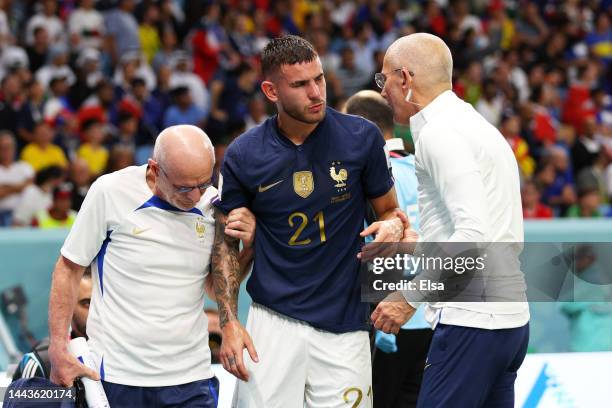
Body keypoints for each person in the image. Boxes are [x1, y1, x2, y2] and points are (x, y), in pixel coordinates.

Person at [217, 35, 405, 407]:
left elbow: (389, 210)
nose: (316, 92)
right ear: (271, 90)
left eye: (318, 79)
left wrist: (393, 225)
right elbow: (225, 246)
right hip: (272, 321)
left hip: (346, 322)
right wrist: (228, 323)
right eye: (300, 85)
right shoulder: (244, 154)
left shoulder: (361, 137)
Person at [371, 33, 530, 408]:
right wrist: (417, 245)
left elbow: (474, 234)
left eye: (384, 80)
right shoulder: (472, 124)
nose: (382, 92)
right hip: (508, 321)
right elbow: (484, 228)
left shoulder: (440, 134)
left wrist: (408, 297)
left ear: (405, 79)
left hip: (472, 322)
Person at [47, 125, 254, 407]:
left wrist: (251, 247)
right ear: (155, 170)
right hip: (118, 375)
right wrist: (58, 348)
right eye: (183, 187)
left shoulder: (214, 203)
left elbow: (214, 289)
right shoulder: (110, 192)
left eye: (203, 183)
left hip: (191, 376)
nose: (195, 196)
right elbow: (68, 269)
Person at [345, 90, 432, 408]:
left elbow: (385, 246)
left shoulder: (370, 177)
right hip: (429, 314)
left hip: (387, 316)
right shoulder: (425, 172)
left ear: (359, 126)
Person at [12, 268, 93, 381]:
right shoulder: (43, 364)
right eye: (87, 303)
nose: (97, 312)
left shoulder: (121, 354)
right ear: (68, 309)